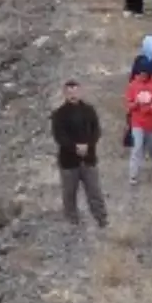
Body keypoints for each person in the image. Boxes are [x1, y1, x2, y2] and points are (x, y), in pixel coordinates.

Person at [50, 78, 107, 228]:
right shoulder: (59, 114)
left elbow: (97, 131)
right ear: (64, 94)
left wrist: (88, 145)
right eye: (69, 92)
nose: (73, 95)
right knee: (69, 193)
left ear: (80, 92)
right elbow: (59, 136)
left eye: (75, 92)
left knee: (94, 191)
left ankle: (101, 218)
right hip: (68, 162)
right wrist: (76, 147)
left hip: (89, 159)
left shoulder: (89, 110)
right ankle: (72, 220)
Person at [123, 56, 152, 184]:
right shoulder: (134, 84)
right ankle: (133, 175)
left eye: (145, 74)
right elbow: (128, 104)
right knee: (137, 147)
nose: (142, 76)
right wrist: (136, 104)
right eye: (141, 73)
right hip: (137, 122)